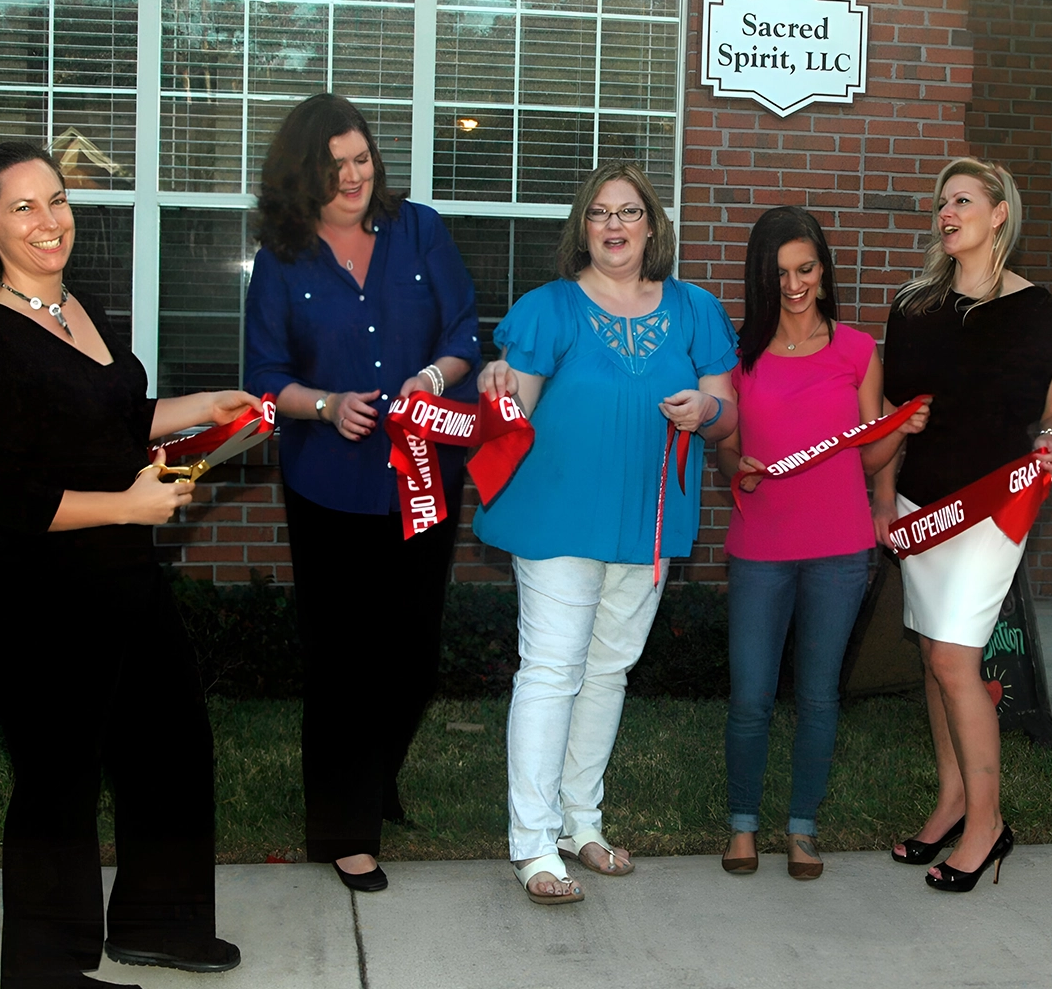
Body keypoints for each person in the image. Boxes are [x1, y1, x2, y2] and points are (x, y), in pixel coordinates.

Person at [0, 141, 248, 989]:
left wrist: (207, 406)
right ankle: (41, 978)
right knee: (57, 781)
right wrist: (127, 507)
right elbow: (4, 498)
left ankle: (159, 921)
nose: (48, 220)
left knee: (171, 748)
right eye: (23, 207)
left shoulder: (74, 306)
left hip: (123, 583)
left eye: (58, 200)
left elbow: (120, 415)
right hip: (39, 595)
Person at [475, 163, 738, 904]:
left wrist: (706, 415)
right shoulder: (548, 309)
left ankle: (579, 824)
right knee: (552, 669)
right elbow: (514, 406)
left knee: (608, 671)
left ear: (652, 226)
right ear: (582, 229)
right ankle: (532, 843)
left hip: (647, 519)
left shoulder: (694, 310)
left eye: (628, 213)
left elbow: (727, 412)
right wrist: (499, 383)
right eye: (599, 214)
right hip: (557, 518)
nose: (615, 226)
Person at [243, 94, 481, 893]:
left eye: (361, 158)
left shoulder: (420, 229)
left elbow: (463, 336)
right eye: (333, 163)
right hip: (328, 487)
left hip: (422, 475)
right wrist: (325, 404)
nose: (352, 176)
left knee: (411, 657)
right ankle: (346, 828)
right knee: (342, 660)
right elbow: (266, 380)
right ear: (302, 173)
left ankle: (372, 776)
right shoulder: (281, 259)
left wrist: (430, 378)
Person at [876, 156, 1052, 893]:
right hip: (923, 507)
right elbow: (897, 416)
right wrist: (886, 494)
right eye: (942, 203)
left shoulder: (1038, 310)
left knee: (955, 661)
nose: (946, 213)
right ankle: (953, 800)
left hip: (991, 507)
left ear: (999, 215)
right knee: (933, 657)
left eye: (962, 200)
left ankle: (988, 826)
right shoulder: (913, 306)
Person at [714, 207, 923, 881]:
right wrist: (734, 467)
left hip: (838, 547)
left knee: (819, 696)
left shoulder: (858, 351)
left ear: (825, 269)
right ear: (762, 278)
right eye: (780, 273)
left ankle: (802, 828)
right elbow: (728, 453)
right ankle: (743, 824)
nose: (795, 284)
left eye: (806, 268)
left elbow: (867, 457)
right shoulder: (738, 356)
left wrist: (903, 428)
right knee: (749, 695)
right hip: (759, 547)